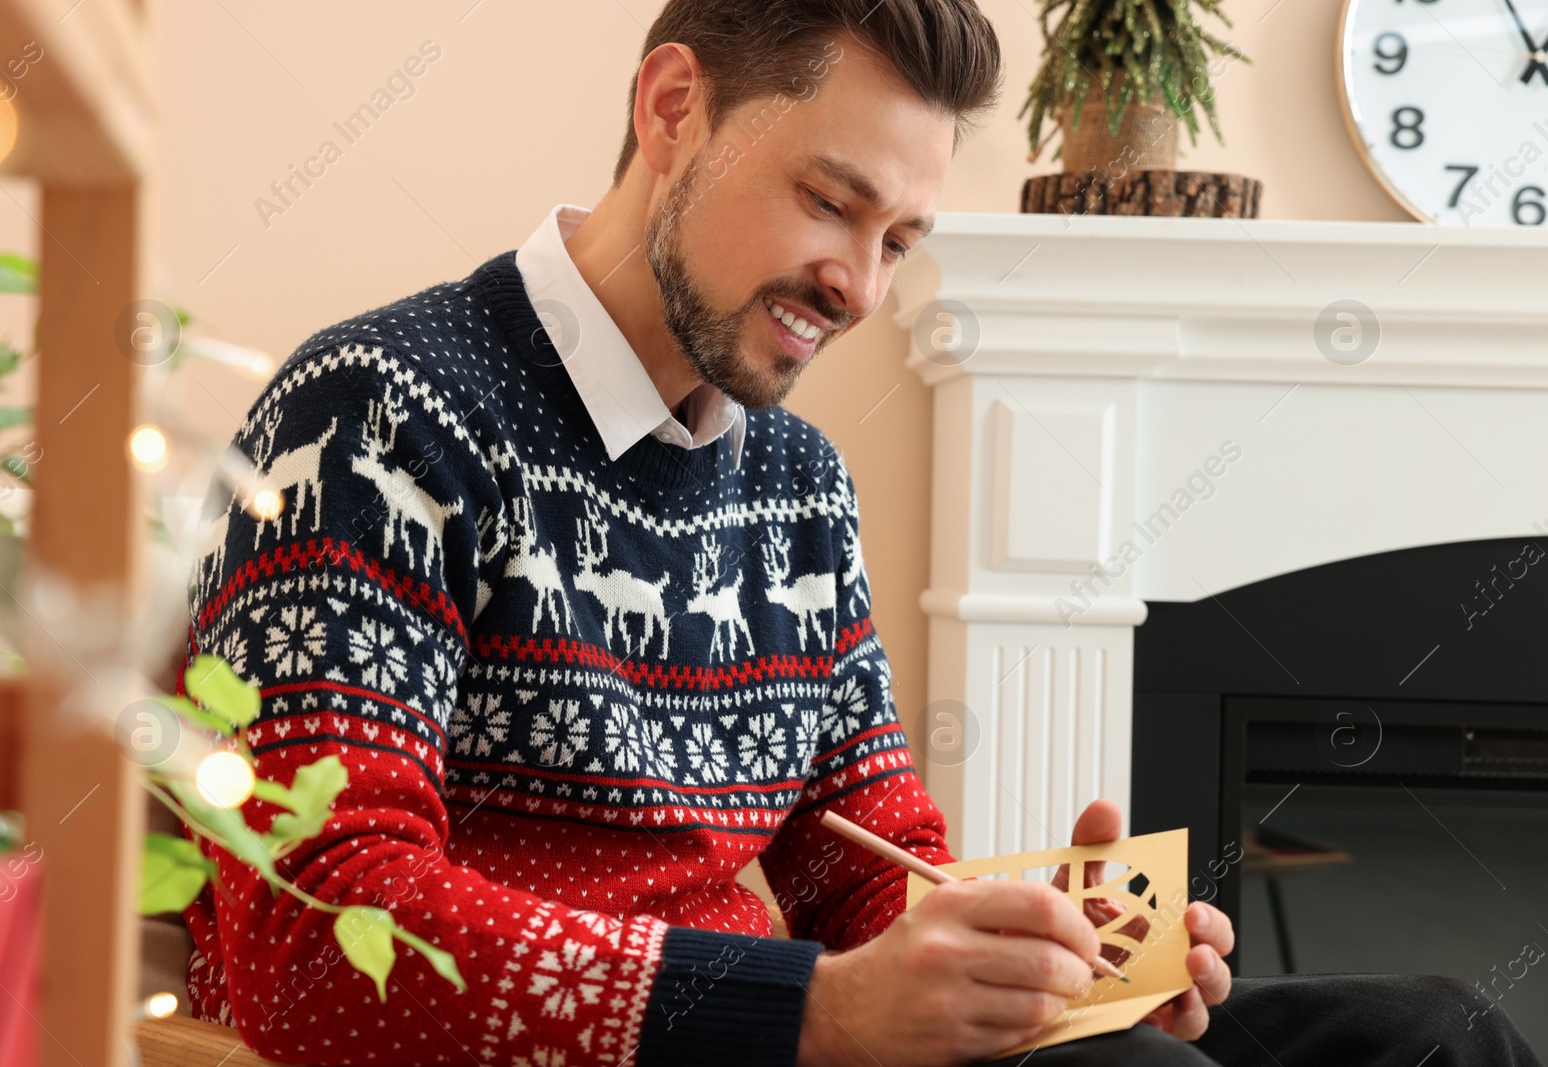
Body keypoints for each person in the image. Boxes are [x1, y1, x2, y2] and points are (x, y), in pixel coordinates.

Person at [176, 2, 1542, 1065]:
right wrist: (811, 1016)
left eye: (899, 239)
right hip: (671, 1051)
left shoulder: (798, 481)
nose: (858, 285)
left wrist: (1058, 954)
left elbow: (863, 856)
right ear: (671, 107)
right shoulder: (369, 420)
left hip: (778, 1033)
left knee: (1433, 1033)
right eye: (831, 202)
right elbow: (313, 933)